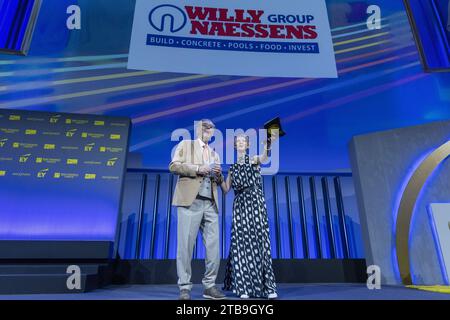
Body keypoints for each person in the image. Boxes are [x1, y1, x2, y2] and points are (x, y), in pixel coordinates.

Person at [169, 119, 226, 300]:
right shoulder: (186, 145)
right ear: (200, 129)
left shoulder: (214, 154)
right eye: (207, 128)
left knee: (214, 248)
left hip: (210, 203)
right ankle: (184, 287)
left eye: (212, 129)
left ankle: (209, 286)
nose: (210, 131)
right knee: (185, 246)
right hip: (190, 202)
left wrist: (218, 174)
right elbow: (174, 166)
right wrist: (198, 168)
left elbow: (218, 180)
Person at [220, 133, 278, 299]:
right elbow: (225, 190)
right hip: (240, 205)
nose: (239, 143)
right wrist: (217, 177)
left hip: (255, 203)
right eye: (237, 141)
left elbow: (265, 157)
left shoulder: (253, 159)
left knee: (260, 241)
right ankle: (244, 287)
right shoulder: (232, 167)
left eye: (242, 142)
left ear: (246, 145)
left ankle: (268, 288)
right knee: (241, 244)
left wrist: (268, 145)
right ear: (235, 146)